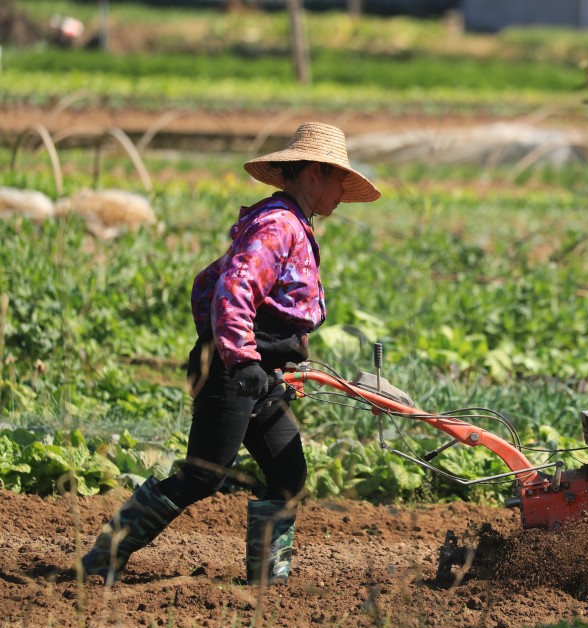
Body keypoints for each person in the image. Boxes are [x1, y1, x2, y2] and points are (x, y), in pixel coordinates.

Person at [80, 122, 380, 586]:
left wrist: (271, 364)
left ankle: (268, 582)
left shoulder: (295, 223)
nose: (343, 191)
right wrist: (241, 360)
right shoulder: (278, 224)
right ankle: (104, 557)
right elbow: (233, 289)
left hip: (258, 372)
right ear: (315, 174)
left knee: (288, 472)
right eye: (341, 179)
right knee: (203, 474)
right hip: (232, 370)